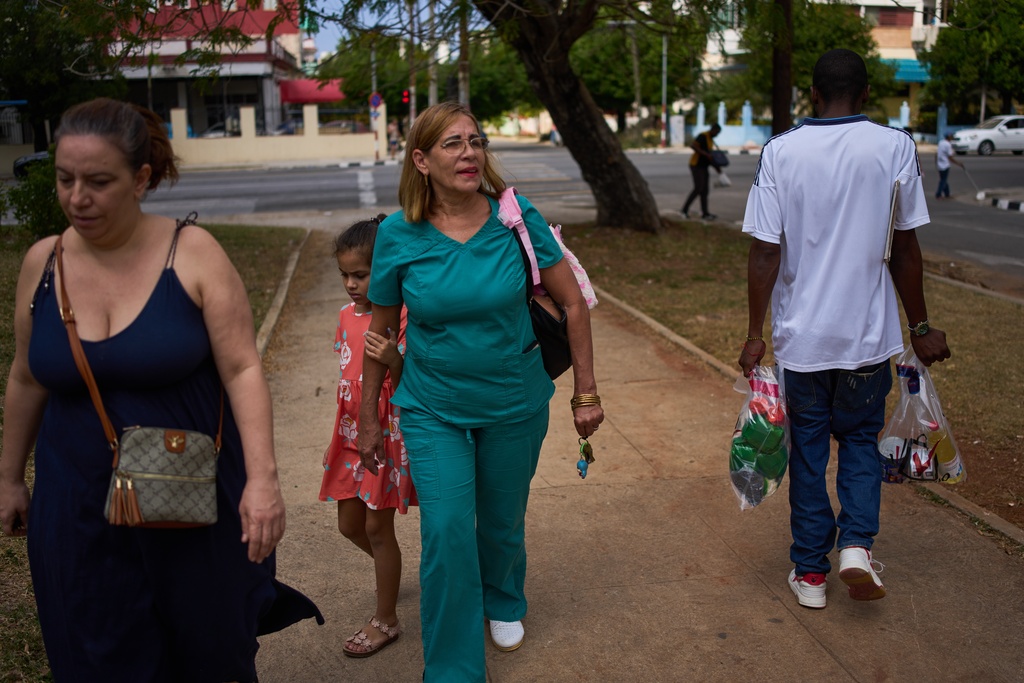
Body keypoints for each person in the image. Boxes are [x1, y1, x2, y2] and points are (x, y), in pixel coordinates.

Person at [0, 98, 322, 681]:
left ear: (141, 178)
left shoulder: (192, 254)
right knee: (93, 650)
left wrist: (263, 480)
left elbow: (243, 369)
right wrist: (6, 477)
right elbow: (25, 374)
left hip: (188, 506)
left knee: (207, 655)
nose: (77, 197)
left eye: (99, 181)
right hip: (75, 510)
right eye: (65, 180)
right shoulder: (42, 263)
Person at [357, 101, 604, 682]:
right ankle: (453, 669)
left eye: (476, 141)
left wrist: (585, 393)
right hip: (431, 404)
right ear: (420, 159)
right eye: (451, 144)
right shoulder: (397, 234)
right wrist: (369, 416)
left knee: (500, 517)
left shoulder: (516, 219)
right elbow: (379, 330)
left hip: (514, 400)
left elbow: (572, 302)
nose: (469, 152)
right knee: (445, 531)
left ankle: (504, 597)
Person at [738, 50, 951, 610]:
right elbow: (905, 248)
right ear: (864, 94)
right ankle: (855, 546)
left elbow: (765, 252)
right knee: (859, 442)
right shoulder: (895, 146)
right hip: (865, 341)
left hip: (802, 343)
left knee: (808, 453)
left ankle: (810, 574)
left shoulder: (779, 151)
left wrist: (755, 333)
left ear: (813, 93)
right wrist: (921, 325)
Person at [319, 215, 416, 658]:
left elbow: (410, 377)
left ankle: (386, 618)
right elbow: (347, 383)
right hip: (350, 431)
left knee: (378, 527)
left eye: (361, 274)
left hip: (386, 434)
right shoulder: (343, 316)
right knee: (348, 525)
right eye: (345, 275)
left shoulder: (400, 315)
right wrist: (337, 437)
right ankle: (389, 573)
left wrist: (394, 359)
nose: (351, 285)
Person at [682, 122, 723, 220]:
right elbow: (693, 146)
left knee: (705, 190)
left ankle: (705, 213)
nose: (717, 135)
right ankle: (684, 210)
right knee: (698, 188)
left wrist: (718, 170)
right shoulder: (703, 136)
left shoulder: (710, 139)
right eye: (717, 132)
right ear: (713, 130)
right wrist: (705, 154)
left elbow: (710, 156)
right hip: (696, 165)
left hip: (704, 167)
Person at [935, 132, 963, 199]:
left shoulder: (941, 142)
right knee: (943, 180)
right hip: (945, 165)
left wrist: (936, 163)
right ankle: (938, 194)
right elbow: (950, 157)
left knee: (943, 179)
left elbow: (936, 153)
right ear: (949, 137)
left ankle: (947, 193)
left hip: (939, 164)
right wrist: (958, 163)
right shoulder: (948, 144)